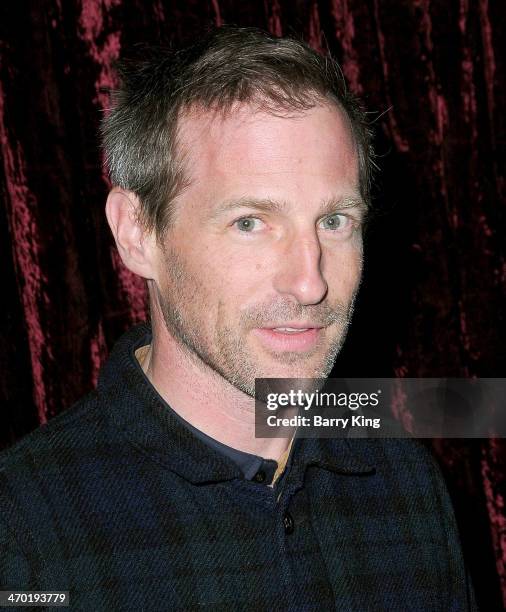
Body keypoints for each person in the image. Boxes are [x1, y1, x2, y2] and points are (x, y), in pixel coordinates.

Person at [0, 26, 477, 611]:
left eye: (334, 221)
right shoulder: (24, 525)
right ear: (137, 232)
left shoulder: (406, 483)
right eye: (250, 222)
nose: (310, 282)